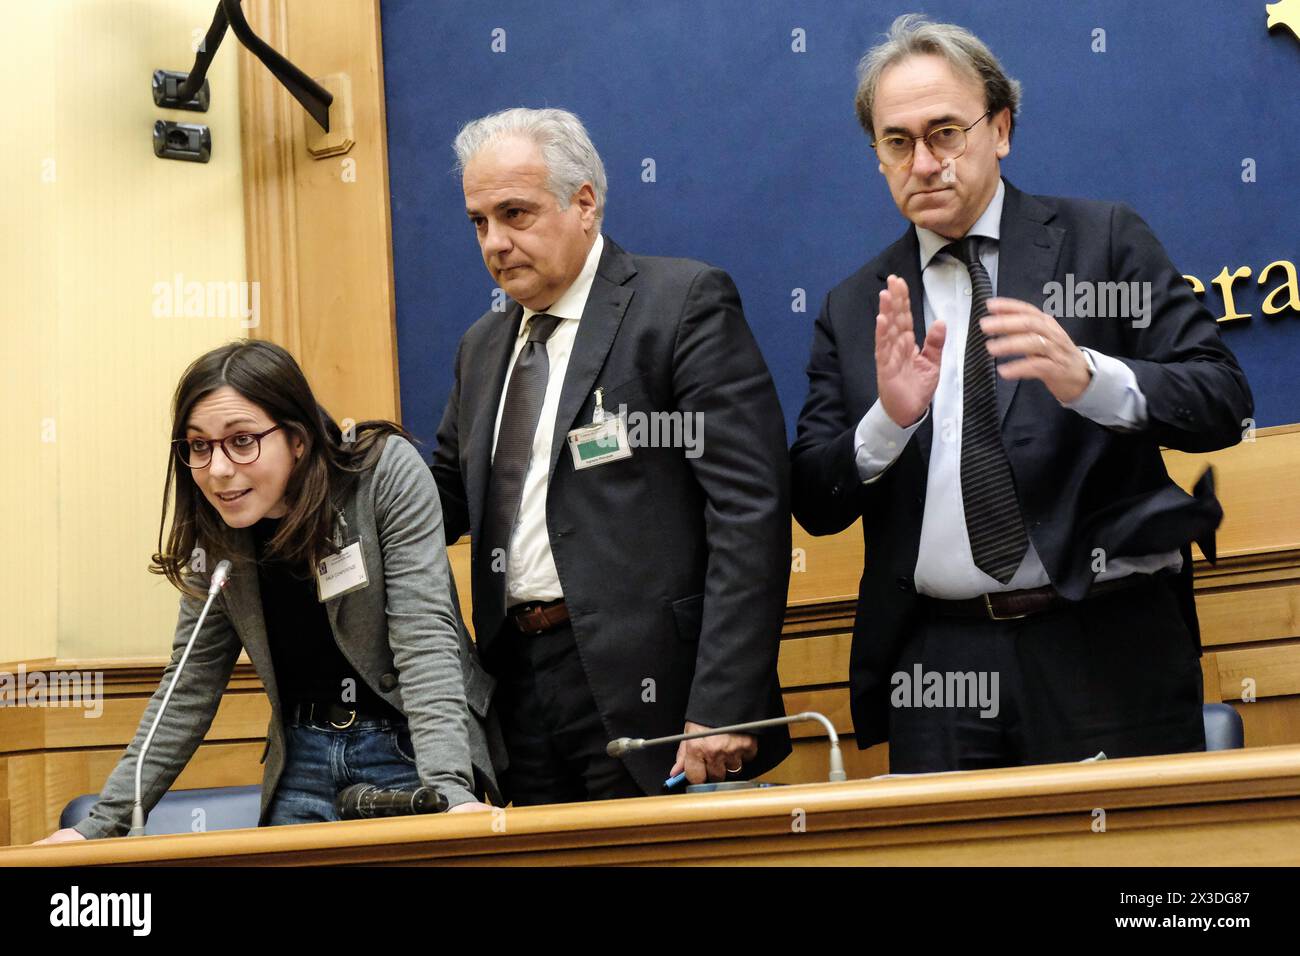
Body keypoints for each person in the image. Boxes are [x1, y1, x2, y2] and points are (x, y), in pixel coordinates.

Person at [790, 15, 1253, 772]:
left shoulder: (1100, 241)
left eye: (946, 132)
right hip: (937, 662)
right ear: (877, 156)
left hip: (1103, 642)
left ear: (1000, 129)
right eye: (897, 142)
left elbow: (1223, 402)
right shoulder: (857, 305)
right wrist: (887, 424)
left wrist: (1091, 380)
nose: (924, 161)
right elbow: (815, 495)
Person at [432, 107, 792, 804]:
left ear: (584, 203)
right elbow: (443, 494)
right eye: (479, 222)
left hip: (656, 692)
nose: (495, 243)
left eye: (515, 213)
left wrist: (724, 701)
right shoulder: (482, 345)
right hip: (519, 693)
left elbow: (750, 511)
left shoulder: (680, 304)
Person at [39, 340, 499, 842]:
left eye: (242, 441)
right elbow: (188, 684)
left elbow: (425, 638)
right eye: (199, 445)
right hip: (302, 756)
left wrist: (451, 793)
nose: (217, 469)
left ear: (297, 440)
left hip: (413, 748)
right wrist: (99, 826)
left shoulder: (382, 475)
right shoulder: (217, 527)